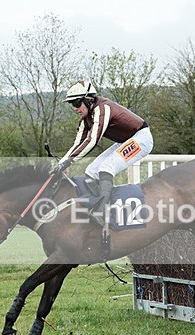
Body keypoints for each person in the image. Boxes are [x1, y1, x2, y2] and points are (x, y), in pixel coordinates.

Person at [55, 79, 154, 225]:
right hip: (124, 141)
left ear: (88, 100)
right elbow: (77, 144)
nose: (75, 108)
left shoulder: (103, 109)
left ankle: (103, 212)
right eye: (72, 105)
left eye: (76, 103)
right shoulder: (85, 120)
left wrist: (69, 161)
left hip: (141, 138)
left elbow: (92, 140)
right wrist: (61, 163)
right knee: (91, 171)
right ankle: (96, 205)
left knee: (106, 168)